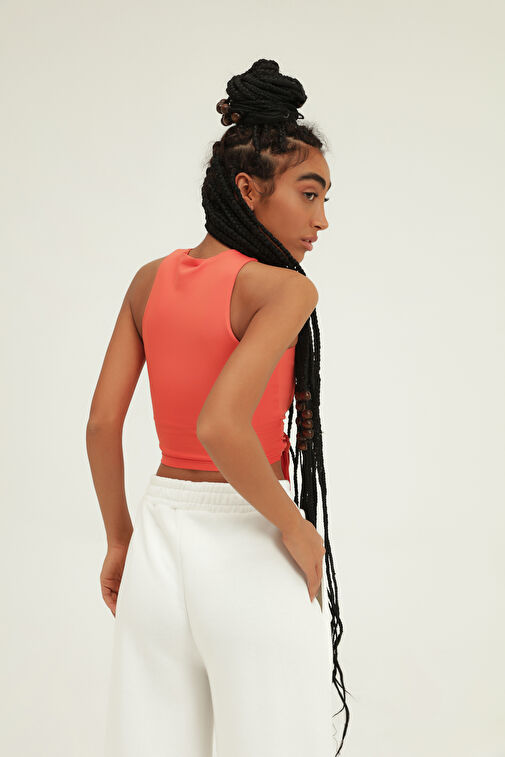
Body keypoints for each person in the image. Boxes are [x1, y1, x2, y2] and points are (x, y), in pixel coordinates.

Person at [86, 58, 351, 756]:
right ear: (248, 188)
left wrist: (119, 540)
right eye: (309, 193)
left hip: (157, 539)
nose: (321, 220)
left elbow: (102, 424)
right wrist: (296, 528)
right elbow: (222, 425)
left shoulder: (149, 281)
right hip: (249, 539)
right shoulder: (283, 289)